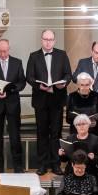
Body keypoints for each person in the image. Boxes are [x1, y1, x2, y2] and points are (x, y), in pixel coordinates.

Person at [27, 29, 72, 175]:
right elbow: (29, 76)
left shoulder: (62, 54)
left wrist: (63, 83)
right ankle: (42, 164)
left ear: (54, 41)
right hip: (40, 100)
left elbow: (68, 74)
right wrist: (38, 85)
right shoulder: (34, 56)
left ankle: (56, 164)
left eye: (50, 39)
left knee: (56, 133)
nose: (48, 42)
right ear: (42, 40)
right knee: (42, 133)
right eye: (45, 39)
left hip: (57, 99)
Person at [0, 37, 25, 172]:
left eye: (5, 51)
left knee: (15, 137)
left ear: (9, 49)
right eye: (0, 51)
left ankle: (18, 167)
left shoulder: (17, 63)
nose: (3, 54)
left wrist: (10, 90)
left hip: (12, 103)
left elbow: (21, 83)